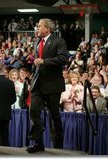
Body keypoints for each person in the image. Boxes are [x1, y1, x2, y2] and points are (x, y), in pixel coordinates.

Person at [27, 18, 69, 153]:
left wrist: (45, 61)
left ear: (47, 29)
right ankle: (37, 142)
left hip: (52, 85)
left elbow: (64, 59)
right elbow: (37, 63)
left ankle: (58, 146)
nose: (37, 28)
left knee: (54, 116)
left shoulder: (58, 41)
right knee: (33, 112)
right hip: (37, 84)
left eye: (39, 26)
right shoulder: (37, 42)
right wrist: (32, 78)